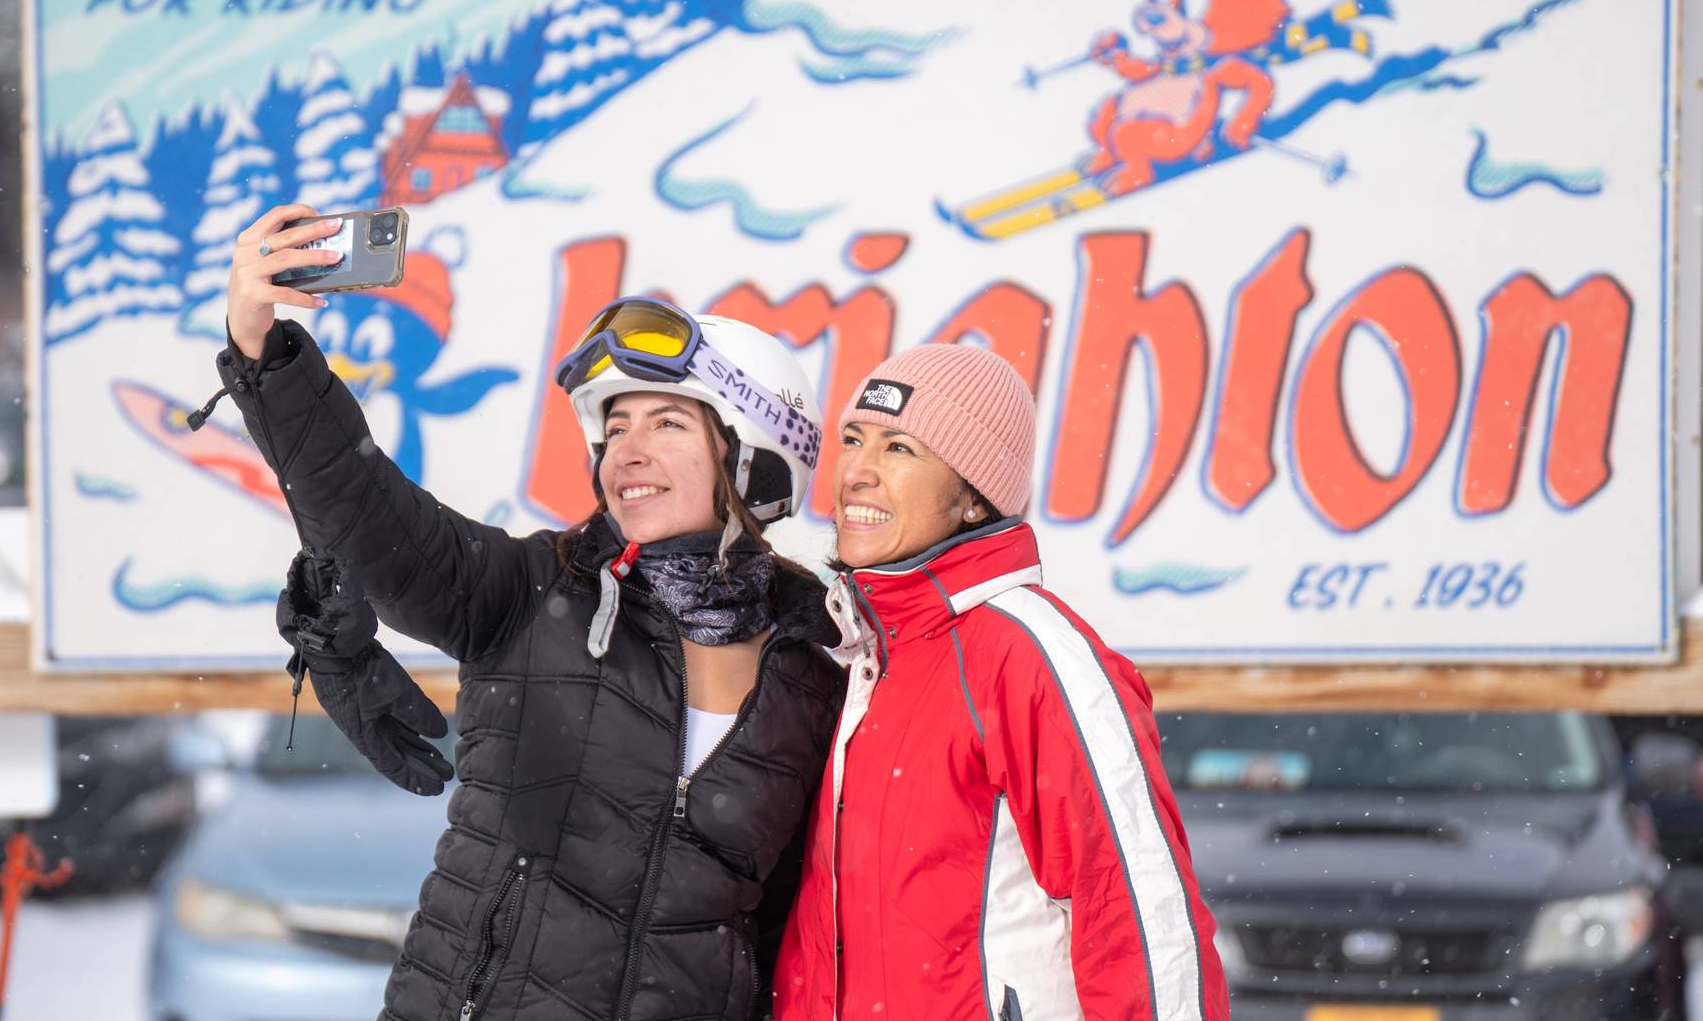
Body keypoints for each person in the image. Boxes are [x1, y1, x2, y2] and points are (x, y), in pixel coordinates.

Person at [214, 204, 845, 1021]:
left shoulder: (817, 672)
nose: (628, 450)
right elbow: (366, 510)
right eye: (615, 427)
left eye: (667, 422)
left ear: (754, 456)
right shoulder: (532, 592)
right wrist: (264, 351)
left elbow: (792, 937)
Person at [771, 344, 1232, 1019]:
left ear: (972, 498)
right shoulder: (861, 656)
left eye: (900, 448)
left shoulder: (1031, 654)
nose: (859, 472)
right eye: (853, 440)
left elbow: (1140, 919)